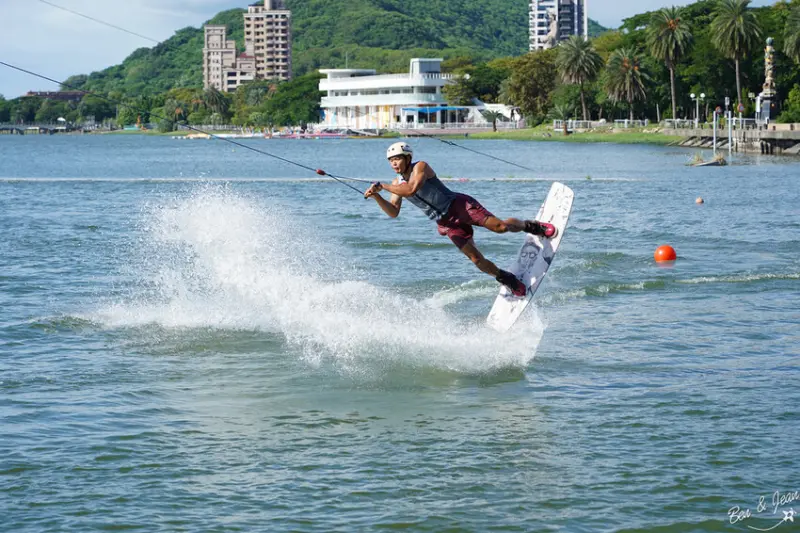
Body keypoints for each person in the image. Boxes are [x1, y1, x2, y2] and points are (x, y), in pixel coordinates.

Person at [364, 142, 556, 297]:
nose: (394, 164)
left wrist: (384, 187)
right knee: (476, 259)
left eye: (397, 159)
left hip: (460, 207)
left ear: (407, 158)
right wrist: (377, 196)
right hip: (446, 223)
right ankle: (506, 278)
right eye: (390, 161)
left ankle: (530, 226)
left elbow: (412, 189)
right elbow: (393, 212)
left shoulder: (420, 167)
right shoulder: (396, 184)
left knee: (501, 227)